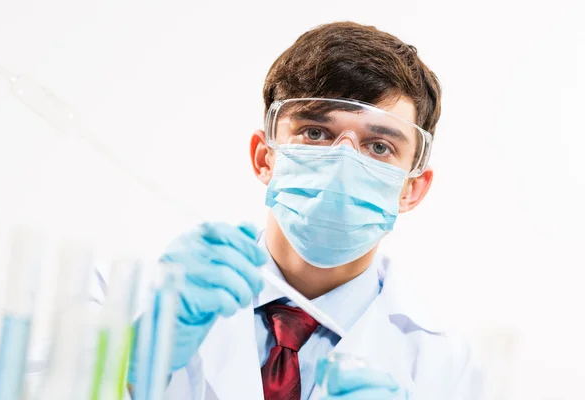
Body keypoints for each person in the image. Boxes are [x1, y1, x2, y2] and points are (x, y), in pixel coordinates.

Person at [122, 21, 482, 400]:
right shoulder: (144, 302)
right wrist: (128, 371)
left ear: (412, 188)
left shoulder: (446, 366)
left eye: (378, 147)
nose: (343, 163)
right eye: (315, 132)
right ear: (265, 158)